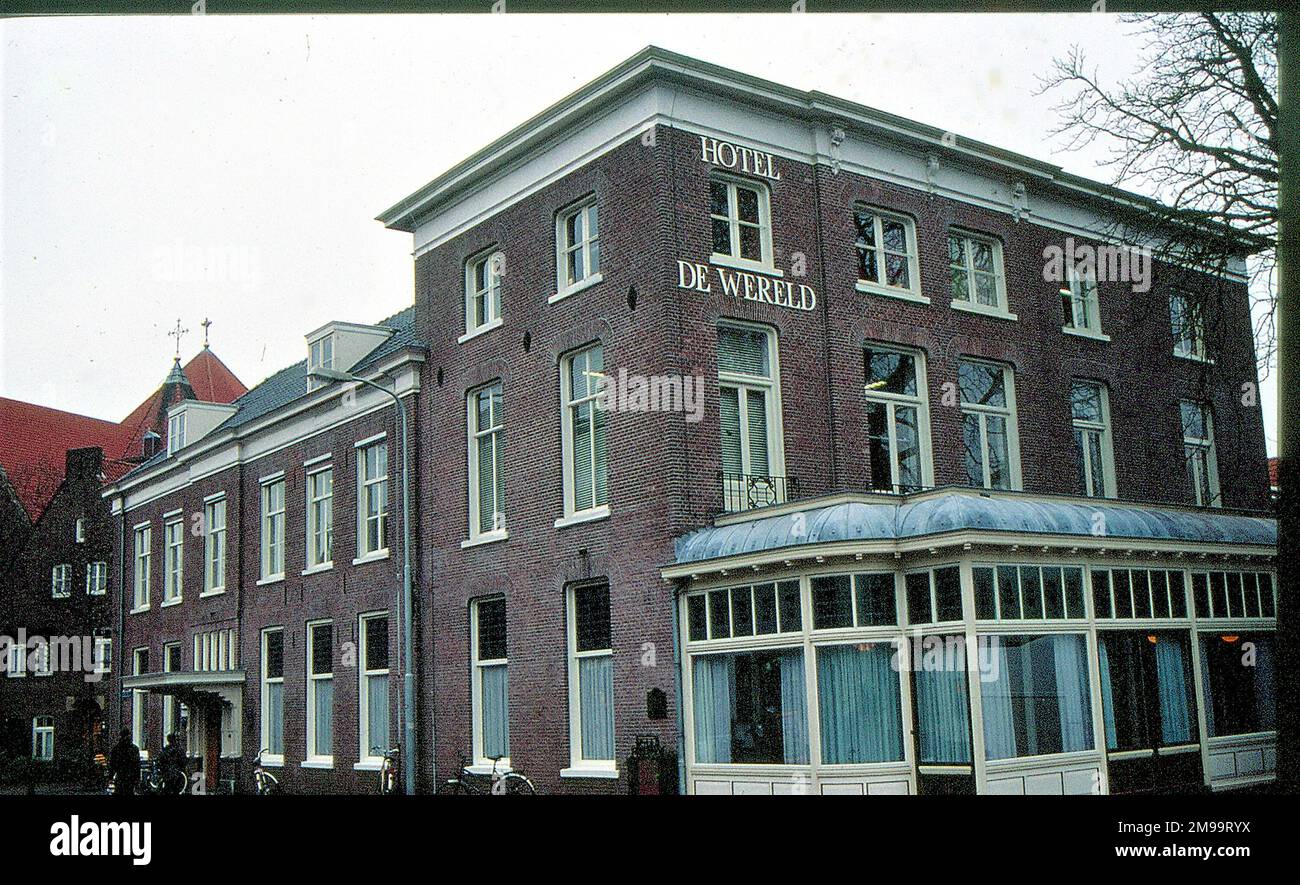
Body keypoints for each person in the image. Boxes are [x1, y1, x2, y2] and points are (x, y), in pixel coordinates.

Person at [108, 728, 140, 797]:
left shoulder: (116, 749)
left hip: (121, 776)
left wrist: (110, 776)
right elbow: (137, 765)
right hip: (130, 777)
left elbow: (113, 764)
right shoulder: (134, 749)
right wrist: (137, 779)